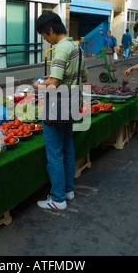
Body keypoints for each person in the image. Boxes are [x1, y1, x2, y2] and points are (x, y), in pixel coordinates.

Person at [32, 11, 88, 210]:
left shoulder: (61, 49)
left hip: (57, 106)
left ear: (50, 29)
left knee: (54, 153)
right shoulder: (77, 47)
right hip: (72, 103)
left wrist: (38, 85)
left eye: (44, 36)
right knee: (67, 148)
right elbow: (84, 78)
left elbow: (53, 83)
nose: (46, 41)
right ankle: (68, 190)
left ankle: (57, 198)